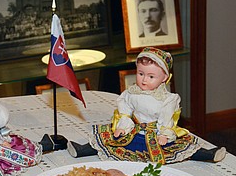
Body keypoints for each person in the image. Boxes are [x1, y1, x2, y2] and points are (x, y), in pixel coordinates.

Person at [67, 47, 226, 164]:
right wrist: (123, 126)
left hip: (155, 133)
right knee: (108, 138)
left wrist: (164, 134)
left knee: (180, 147)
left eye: (151, 76)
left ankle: (208, 154)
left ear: (164, 77)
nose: (144, 80)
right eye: (140, 74)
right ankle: (83, 149)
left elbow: (166, 120)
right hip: (133, 130)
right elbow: (125, 112)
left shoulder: (167, 99)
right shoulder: (131, 93)